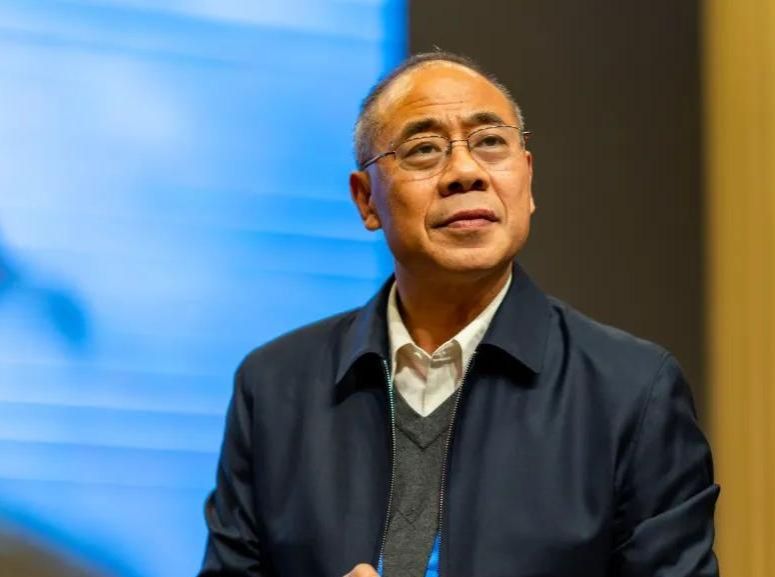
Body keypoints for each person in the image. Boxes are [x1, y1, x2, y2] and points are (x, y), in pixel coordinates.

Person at [198, 52, 720, 577]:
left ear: (527, 179)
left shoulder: (632, 391)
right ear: (367, 200)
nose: (466, 172)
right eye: (424, 150)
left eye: (491, 142)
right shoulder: (274, 388)